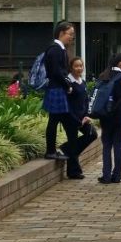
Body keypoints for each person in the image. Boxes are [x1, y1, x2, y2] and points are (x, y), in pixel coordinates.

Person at [41, 22, 75, 161]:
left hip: (57, 87)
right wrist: (67, 84)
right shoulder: (55, 49)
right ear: (61, 33)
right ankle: (50, 151)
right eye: (70, 34)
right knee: (54, 121)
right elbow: (56, 72)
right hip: (57, 88)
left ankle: (55, 150)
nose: (71, 37)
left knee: (57, 120)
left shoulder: (58, 49)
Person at [59, 56, 97, 179]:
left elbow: (86, 101)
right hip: (70, 118)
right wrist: (76, 120)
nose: (79, 68)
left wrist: (86, 115)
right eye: (76, 66)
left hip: (82, 117)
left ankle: (66, 148)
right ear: (71, 68)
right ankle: (73, 172)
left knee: (92, 134)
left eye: (81, 66)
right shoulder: (68, 83)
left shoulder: (82, 82)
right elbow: (67, 104)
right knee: (74, 142)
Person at [97, 52, 121, 184]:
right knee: (118, 145)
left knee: (106, 145)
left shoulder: (103, 76)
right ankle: (117, 175)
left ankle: (106, 176)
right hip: (119, 115)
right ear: (120, 64)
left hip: (105, 115)